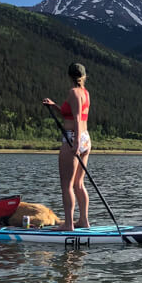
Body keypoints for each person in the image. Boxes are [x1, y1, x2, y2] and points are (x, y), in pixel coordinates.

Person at [42, 63, 91, 230]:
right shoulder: (85, 93)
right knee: (79, 183)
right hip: (85, 138)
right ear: (84, 76)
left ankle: (69, 225)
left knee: (67, 184)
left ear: (69, 76)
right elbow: (70, 114)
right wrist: (54, 106)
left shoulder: (73, 92)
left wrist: (75, 143)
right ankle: (83, 220)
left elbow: (76, 119)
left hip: (73, 138)